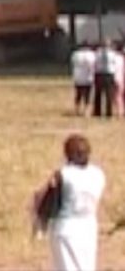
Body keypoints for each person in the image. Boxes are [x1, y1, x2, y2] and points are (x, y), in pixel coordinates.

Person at [35, 134, 106, 271]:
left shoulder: (64, 174)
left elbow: (51, 202)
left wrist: (40, 217)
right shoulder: (98, 174)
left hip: (66, 227)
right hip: (88, 226)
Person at [70, 42, 96, 118]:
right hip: (88, 77)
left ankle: (76, 110)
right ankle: (86, 112)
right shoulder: (91, 55)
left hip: (78, 77)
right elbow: (93, 65)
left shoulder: (75, 54)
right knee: (87, 95)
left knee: (78, 94)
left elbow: (73, 64)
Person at [92, 41, 115, 118]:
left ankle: (101, 112)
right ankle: (104, 112)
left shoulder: (98, 53)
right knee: (104, 94)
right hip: (106, 74)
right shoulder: (112, 54)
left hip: (102, 74)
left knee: (102, 94)